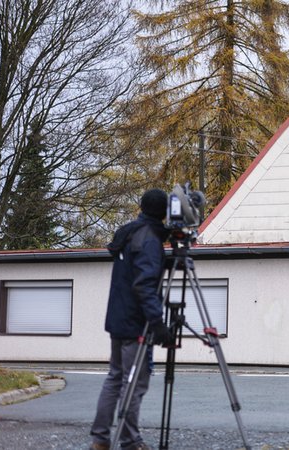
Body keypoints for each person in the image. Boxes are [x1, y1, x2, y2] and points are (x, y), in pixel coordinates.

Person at [89, 189, 172, 450]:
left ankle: (100, 439)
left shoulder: (130, 233)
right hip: (136, 323)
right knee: (133, 382)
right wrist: (156, 321)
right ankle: (129, 440)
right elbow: (145, 284)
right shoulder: (148, 240)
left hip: (118, 319)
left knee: (115, 377)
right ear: (164, 212)